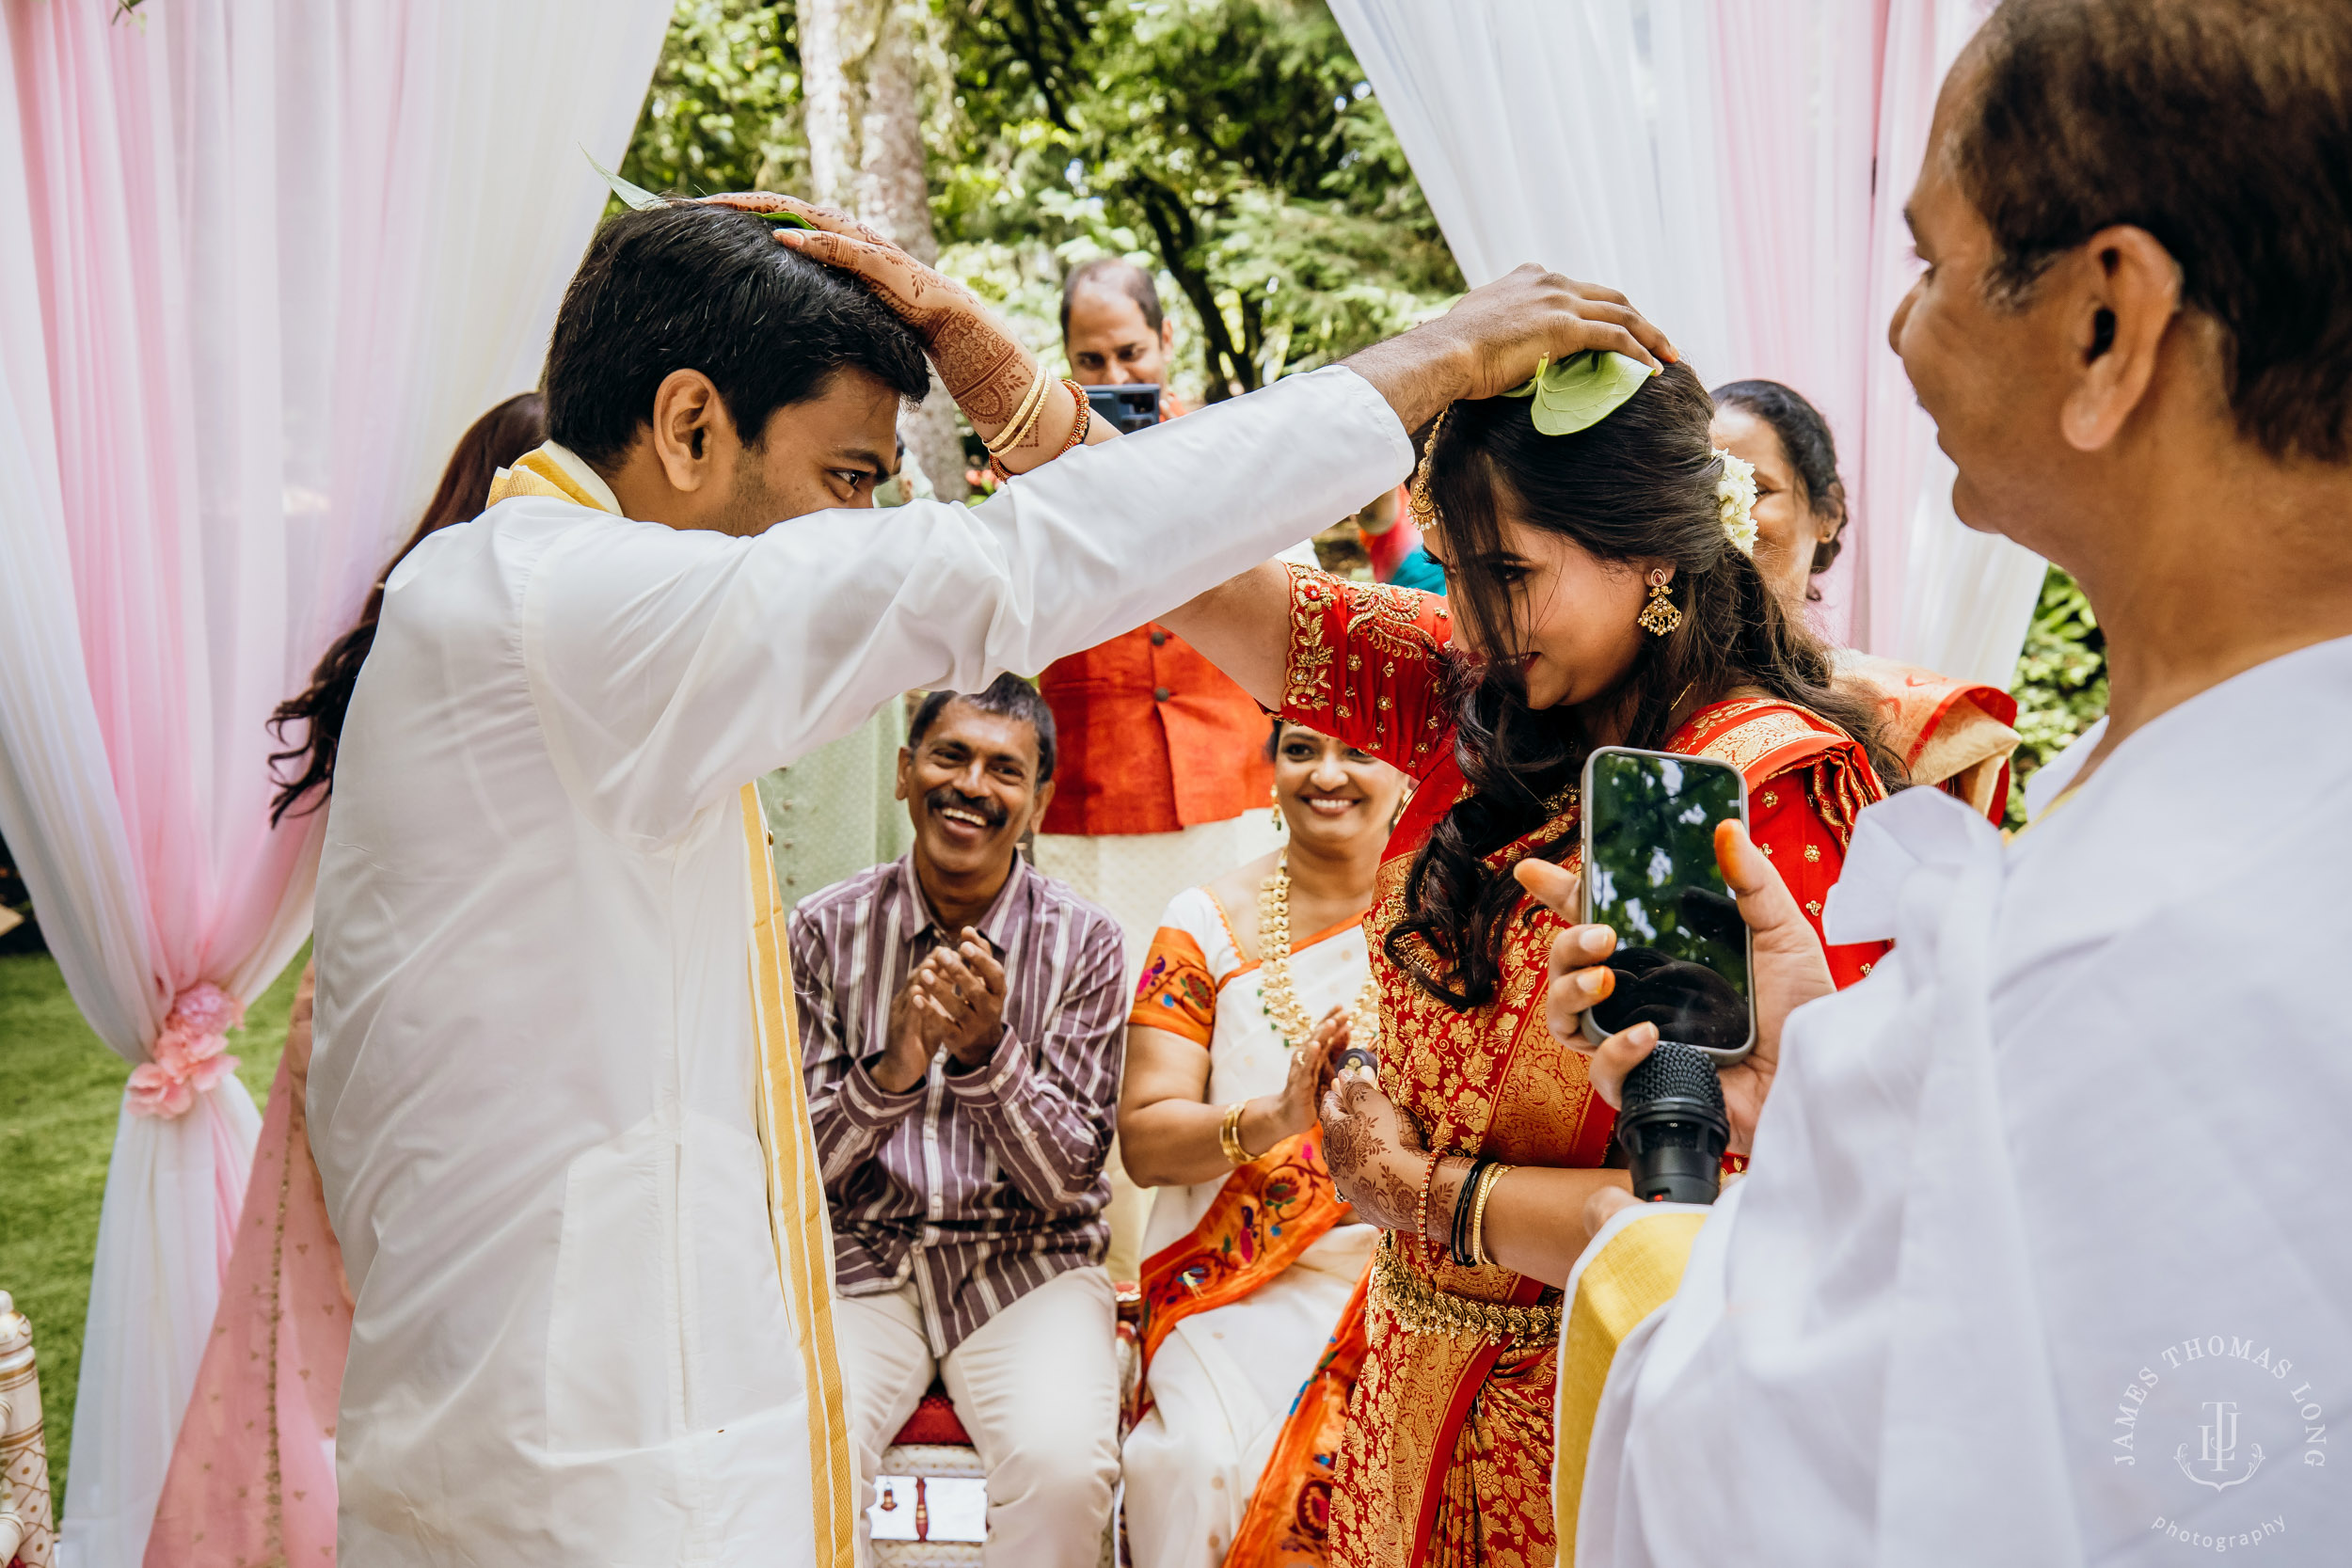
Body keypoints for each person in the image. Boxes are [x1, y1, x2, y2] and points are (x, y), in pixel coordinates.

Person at [306, 169, 1675, 1567]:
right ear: (688, 423)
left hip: (566, 1387)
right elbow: (1017, 565)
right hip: (564, 1439)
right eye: (850, 480)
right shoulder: (574, 611)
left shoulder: (514, 595)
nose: (865, 526)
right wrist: (1431, 358)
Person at [1454, 2, 2352, 1562]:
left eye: (1930, 265)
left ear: (2106, 325)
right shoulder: (2215, 778)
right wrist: (1817, 1077)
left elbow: (1803, 1482)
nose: (1894, 332)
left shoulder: (2142, 955)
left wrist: (1642, 1249)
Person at [1156, 352, 1900, 1566]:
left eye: (1513, 573)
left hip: (1595, 1432)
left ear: (1652, 556)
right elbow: (1164, 556)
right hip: (1403, 1398)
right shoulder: (1484, 692)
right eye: (1460, 573)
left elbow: (1754, 1229)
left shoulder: (1764, 795)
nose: (1480, 617)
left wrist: (1429, 1196)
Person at [144, 394, 548, 1568]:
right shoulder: (497, 654)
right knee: (388, 1338)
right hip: (443, 1033)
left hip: (357, 1011)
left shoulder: (400, 634)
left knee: (307, 1334)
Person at [791, 675, 1124, 1567]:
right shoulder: (822, 932)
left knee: (1063, 1472)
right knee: (792, 1454)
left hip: (1029, 1263)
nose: (972, 784)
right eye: (949, 755)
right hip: (860, 1260)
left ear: (1040, 800)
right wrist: (896, 1065)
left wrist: (985, 1058)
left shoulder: (1086, 942)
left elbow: (1068, 1180)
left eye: (1004, 769)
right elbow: (798, 1173)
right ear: (904, 771)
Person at [1117, 720, 1409, 1568]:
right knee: (1195, 1461)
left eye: (1359, 751)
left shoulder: (1443, 919)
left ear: (1402, 772)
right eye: (1302, 749)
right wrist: (1274, 1120)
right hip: (1230, 1293)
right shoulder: (1202, 923)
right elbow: (1143, 1141)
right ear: (1270, 766)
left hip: (1395, 1286)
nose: (1329, 774)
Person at [1030, 258, 1314, 968]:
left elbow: (1301, 601)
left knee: (1232, 981)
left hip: (1232, 777)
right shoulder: (1035, 477)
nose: (1114, 375)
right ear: (1066, 359)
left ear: (1165, 339)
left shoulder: (1232, 451)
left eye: (1131, 353)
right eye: (1090, 360)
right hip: (1095, 788)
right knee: (1102, 996)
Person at [1711, 377, 2023, 820]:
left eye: (1756, 489)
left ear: (1829, 514)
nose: (1724, 512)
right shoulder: (1625, 688)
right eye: (1698, 493)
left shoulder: (1907, 716)